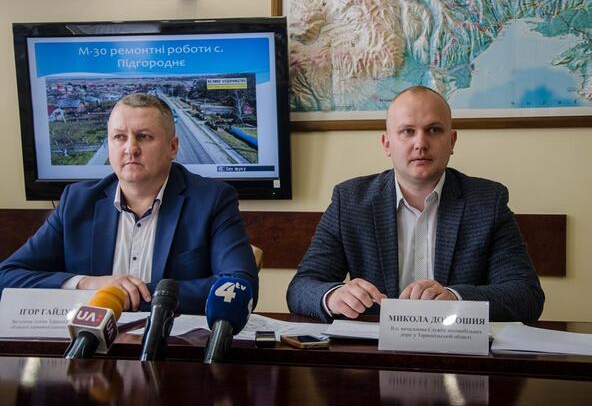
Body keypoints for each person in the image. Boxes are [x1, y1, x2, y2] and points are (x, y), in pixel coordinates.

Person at [287, 86, 544, 322]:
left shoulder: (488, 201)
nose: (420, 143)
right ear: (387, 143)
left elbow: (526, 295)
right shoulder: (350, 200)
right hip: (374, 349)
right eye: (407, 131)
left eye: (433, 130)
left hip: (457, 348)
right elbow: (301, 287)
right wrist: (332, 296)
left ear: (452, 141)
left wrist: (455, 298)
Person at [0, 94, 258, 314]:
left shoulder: (212, 199)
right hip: (89, 346)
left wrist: (125, 297)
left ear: (173, 147)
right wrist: (87, 284)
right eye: (119, 137)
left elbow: (239, 286)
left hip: (173, 347)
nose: (130, 148)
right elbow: (7, 276)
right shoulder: (77, 201)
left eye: (144, 137)